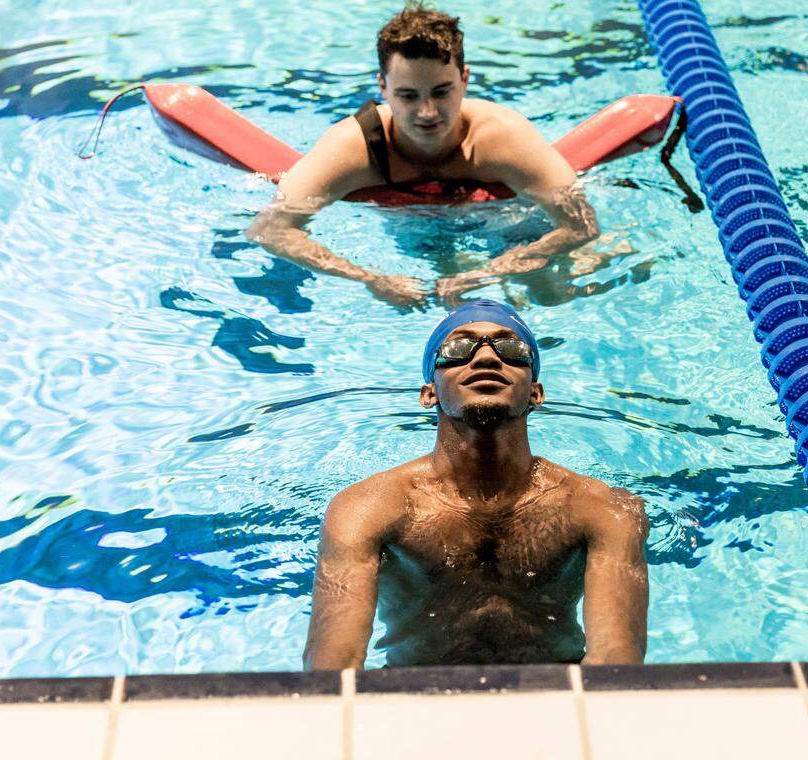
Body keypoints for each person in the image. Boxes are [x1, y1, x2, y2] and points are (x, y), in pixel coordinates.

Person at [302, 299, 649, 668]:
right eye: (458, 349)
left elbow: (616, 661)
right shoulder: (366, 508)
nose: (486, 358)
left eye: (512, 349)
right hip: (411, 690)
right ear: (429, 392)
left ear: (536, 392)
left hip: (561, 687)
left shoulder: (602, 508)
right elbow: (333, 664)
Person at [247, 3, 600, 308]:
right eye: (408, 96)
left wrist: (487, 273)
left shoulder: (501, 139)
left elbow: (582, 224)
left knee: (548, 293)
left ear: (464, 79)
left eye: (441, 92)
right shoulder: (355, 147)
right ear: (382, 86)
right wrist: (370, 279)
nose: (427, 112)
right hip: (411, 224)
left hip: (502, 216)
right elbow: (270, 230)